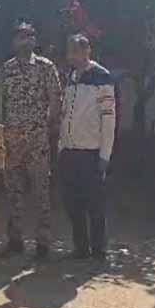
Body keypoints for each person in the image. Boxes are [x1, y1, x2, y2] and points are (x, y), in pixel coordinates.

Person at [1, 22, 61, 258]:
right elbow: (1, 103)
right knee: (13, 192)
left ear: (35, 41)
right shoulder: (7, 69)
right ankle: (15, 239)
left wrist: (47, 127)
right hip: (12, 140)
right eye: (20, 37)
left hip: (37, 140)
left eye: (29, 37)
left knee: (41, 191)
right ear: (13, 42)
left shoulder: (46, 67)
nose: (24, 42)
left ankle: (43, 242)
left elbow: (55, 100)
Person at [57, 35, 116, 261]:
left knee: (95, 205)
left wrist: (105, 154)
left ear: (87, 51)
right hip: (69, 150)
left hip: (91, 152)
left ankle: (98, 250)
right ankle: (80, 247)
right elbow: (65, 114)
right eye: (70, 51)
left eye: (77, 51)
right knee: (73, 203)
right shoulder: (71, 78)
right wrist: (61, 146)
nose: (72, 56)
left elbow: (108, 118)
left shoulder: (101, 77)